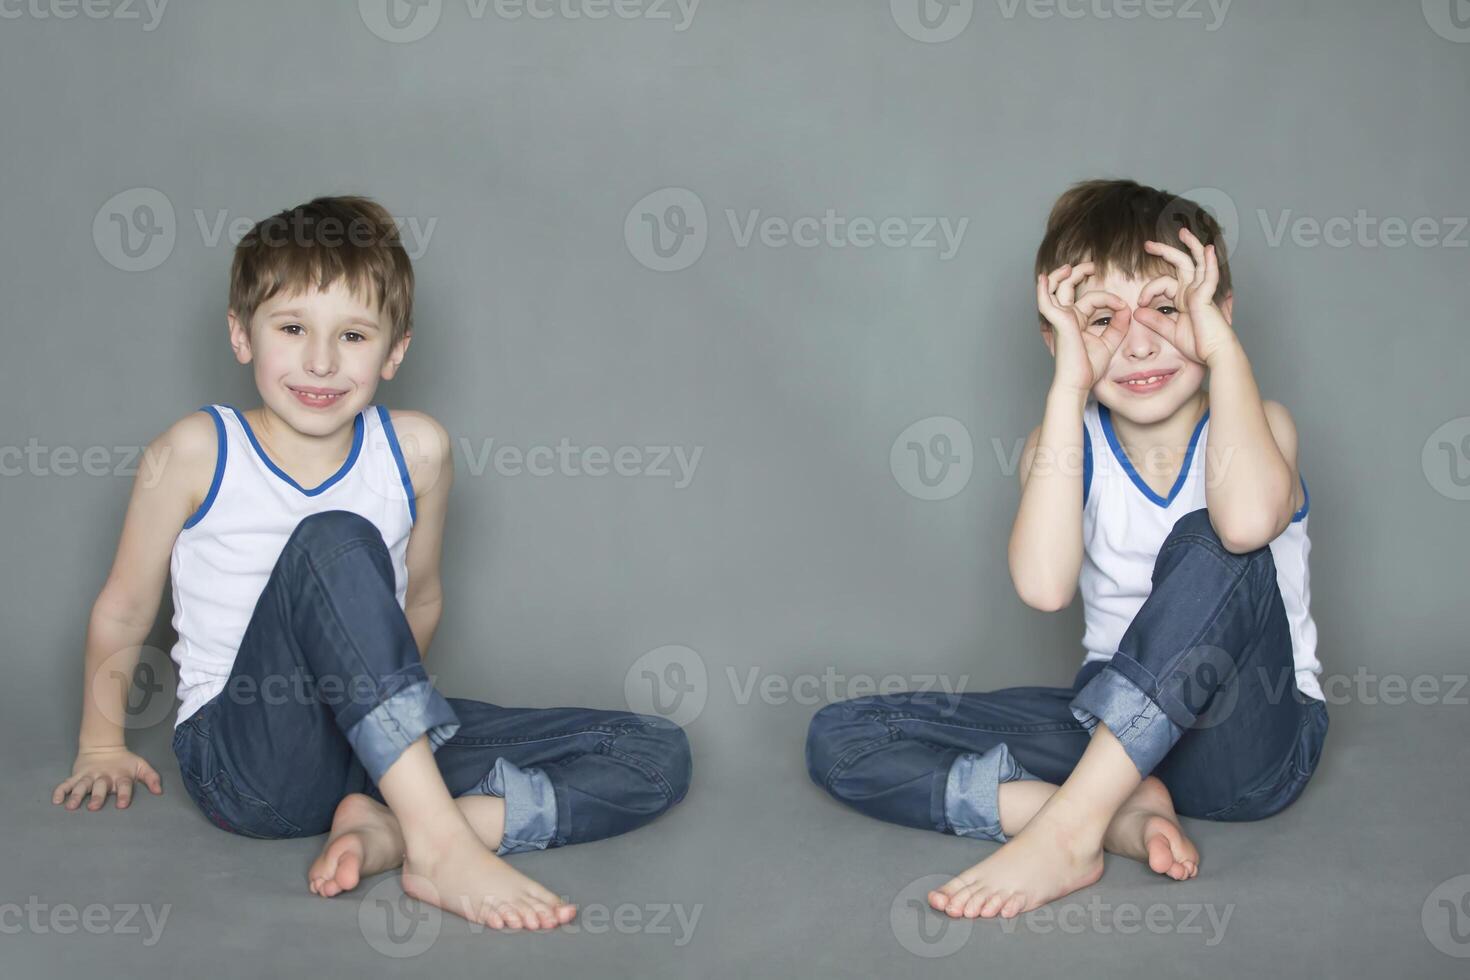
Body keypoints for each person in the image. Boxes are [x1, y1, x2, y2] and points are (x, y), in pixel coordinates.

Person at [53, 196, 692, 932]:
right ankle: (442, 842)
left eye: (353, 335)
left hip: (366, 751)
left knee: (651, 751)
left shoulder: (416, 451)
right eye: (292, 329)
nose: (321, 361)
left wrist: (381, 730)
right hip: (248, 760)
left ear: (393, 352)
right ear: (241, 334)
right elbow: (126, 608)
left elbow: (418, 601)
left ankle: (400, 830)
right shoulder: (196, 450)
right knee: (333, 537)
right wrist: (99, 743)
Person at [805, 178, 1328, 920]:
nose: (1139, 342)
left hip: (1246, 743)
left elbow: (1244, 527)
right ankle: (1111, 812)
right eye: (1102, 320)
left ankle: (1067, 829)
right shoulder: (1063, 445)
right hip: (1107, 726)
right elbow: (1045, 586)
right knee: (844, 736)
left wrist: (1222, 349)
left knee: (1213, 536)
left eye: (1169, 309)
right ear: (1059, 338)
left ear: (1218, 315)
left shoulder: (1262, 425)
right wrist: (1064, 393)